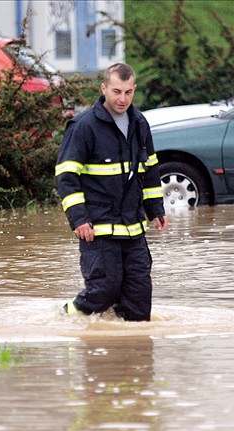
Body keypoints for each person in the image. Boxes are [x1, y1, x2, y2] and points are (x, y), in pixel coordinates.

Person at [55, 63, 168, 321]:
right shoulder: (83, 126)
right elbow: (66, 177)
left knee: (140, 303)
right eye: (117, 91)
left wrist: (156, 209)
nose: (122, 99)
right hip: (98, 228)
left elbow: (149, 170)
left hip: (134, 229)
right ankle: (65, 317)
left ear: (134, 90)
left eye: (128, 92)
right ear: (103, 88)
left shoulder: (140, 124)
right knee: (103, 291)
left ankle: (128, 355)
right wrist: (79, 219)